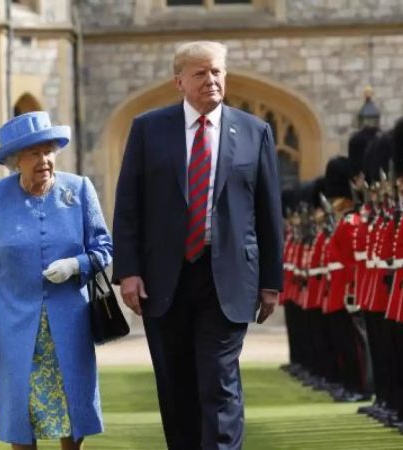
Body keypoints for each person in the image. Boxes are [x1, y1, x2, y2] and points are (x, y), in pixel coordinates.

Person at [112, 40, 284, 450]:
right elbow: (128, 204)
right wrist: (129, 272)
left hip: (228, 277)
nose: (211, 80)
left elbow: (268, 211)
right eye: (200, 73)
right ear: (179, 81)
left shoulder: (254, 132)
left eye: (218, 72)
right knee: (177, 387)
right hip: (163, 279)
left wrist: (272, 281)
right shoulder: (148, 129)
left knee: (219, 383)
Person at [0, 111, 113, 450]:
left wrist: (75, 264)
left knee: (73, 411)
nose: (44, 160)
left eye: (48, 151)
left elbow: (104, 248)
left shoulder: (78, 189)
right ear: (16, 161)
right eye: (34, 153)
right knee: (22, 415)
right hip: (15, 325)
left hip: (69, 321)